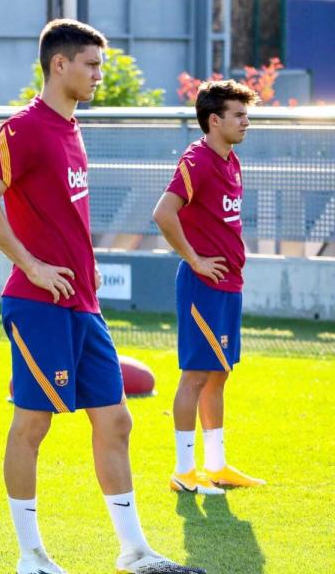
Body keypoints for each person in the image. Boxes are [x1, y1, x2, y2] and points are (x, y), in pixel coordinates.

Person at [0, 19, 206, 574]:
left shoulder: (72, 129)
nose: (99, 75)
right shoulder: (24, 128)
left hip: (82, 305)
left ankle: (135, 551)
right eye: (92, 65)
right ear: (60, 65)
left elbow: (61, 212)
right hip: (37, 305)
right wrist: (31, 264)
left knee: (117, 421)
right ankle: (30, 556)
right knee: (33, 425)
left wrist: (86, 261)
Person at [153, 80, 265, 495]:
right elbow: (164, 213)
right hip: (203, 286)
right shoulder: (196, 160)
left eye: (246, 114)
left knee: (219, 374)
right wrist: (195, 259)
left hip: (230, 285)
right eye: (238, 115)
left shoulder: (231, 160)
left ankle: (216, 466)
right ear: (214, 120)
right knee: (196, 375)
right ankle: (184, 471)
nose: (246, 122)